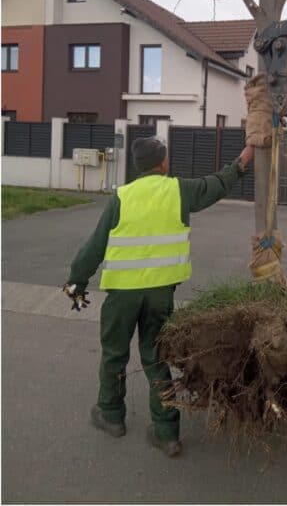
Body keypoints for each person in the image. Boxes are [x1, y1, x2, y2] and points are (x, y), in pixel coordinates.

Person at [64, 136, 253, 458]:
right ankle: (166, 433)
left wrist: (76, 285)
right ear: (163, 163)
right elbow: (219, 183)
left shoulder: (122, 197)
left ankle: (111, 416)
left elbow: (95, 246)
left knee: (114, 355)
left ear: (138, 166)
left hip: (122, 296)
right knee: (156, 359)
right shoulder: (179, 190)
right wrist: (247, 154)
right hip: (160, 297)